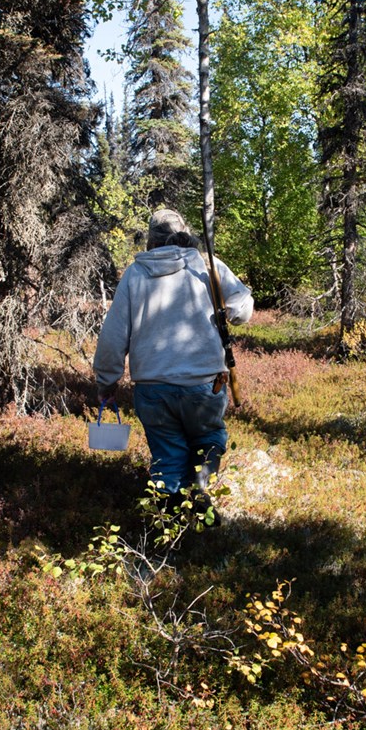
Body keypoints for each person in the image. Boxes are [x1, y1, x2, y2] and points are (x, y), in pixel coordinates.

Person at [93, 208, 253, 522]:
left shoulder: (135, 274)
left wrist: (106, 382)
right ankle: (199, 486)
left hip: (152, 388)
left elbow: (112, 337)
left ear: (151, 238)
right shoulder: (206, 264)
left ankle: (167, 523)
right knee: (208, 440)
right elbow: (243, 309)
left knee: (167, 454)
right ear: (184, 232)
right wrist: (228, 310)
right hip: (204, 382)